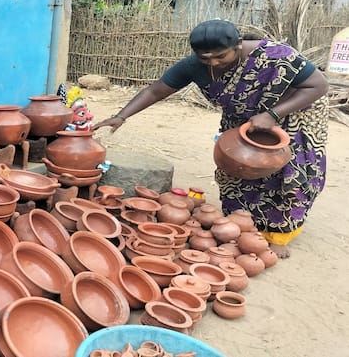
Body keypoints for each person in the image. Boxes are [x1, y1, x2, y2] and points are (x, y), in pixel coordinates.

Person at [94, 19, 329, 258]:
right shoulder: (194, 66)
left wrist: (272, 114)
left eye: (220, 56)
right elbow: (156, 90)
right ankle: (242, 222)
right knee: (237, 165)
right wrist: (120, 117)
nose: (213, 63)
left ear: (238, 45)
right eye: (205, 58)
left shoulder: (277, 57)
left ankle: (280, 234)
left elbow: (318, 86)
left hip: (294, 112)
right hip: (243, 116)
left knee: (289, 172)